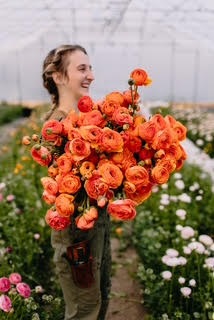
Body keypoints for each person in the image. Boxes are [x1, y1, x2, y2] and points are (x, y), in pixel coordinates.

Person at [42, 44, 111, 320]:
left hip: (96, 229)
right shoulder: (56, 128)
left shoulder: (85, 121)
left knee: (100, 298)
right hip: (76, 238)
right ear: (58, 77)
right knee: (84, 311)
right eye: (82, 68)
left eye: (90, 68)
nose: (91, 75)